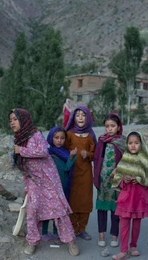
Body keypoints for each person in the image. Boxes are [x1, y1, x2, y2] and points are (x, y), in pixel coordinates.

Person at [9, 108, 79, 256]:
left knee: (58, 209)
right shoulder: (19, 139)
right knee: (32, 210)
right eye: (10, 120)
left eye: (15, 119)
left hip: (48, 179)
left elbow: (43, 152)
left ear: (23, 119)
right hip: (34, 181)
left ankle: (71, 240)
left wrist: (21, 150)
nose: (12, 123)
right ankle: (32, 241)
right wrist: (27, 187)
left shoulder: (35, 135)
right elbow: (24, 167)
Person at [111, 131, 148, 260]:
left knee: (136, 223)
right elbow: (117, 176)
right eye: (130, 143)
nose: (133, 145)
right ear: (127, 144)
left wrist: (140, 179)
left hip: (139, 198)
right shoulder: (125, 158)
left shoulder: (146, 159)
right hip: (126, 197)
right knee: (124, 223)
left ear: (141, 143)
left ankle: (133, 246)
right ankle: (123, 250)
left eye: (136, 143)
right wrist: (124, 178)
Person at [93, 114, 126, 248]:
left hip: (116, 180)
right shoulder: (102, 140)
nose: (110, 129)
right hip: (103, 179)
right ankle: (101, 235)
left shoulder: (123, 141)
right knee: (101, 207)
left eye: (113, 126)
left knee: (115, 208)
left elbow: (128, 160)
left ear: (118, 127)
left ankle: (114, 235)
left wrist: (118, 170)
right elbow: (96, 159)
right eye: (107, 126)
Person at [65, 105, 96, 240]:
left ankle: (82, 229)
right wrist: (70, 156)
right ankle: (73, 228)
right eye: (77, 115)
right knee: (72, 200)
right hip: (72, 173)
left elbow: (96, 154)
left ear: (88, 117)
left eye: (83, 115)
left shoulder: (91, 134)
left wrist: (88, 154)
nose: (80, 118)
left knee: (84, 200)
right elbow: (62, 149)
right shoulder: (69, 134)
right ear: (74, 118)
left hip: (86, 173)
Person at [42, 126, 77, 244]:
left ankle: (57, 233)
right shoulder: (47, 152)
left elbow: (67, 168)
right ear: (51, 138)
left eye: (62, 138)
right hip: (48, 187)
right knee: (47, 209)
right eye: (56, 137)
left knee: (59, 211)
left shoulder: (66, 153)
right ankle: (44, 232)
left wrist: (71, 157)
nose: (59, 140)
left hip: (62, 186)